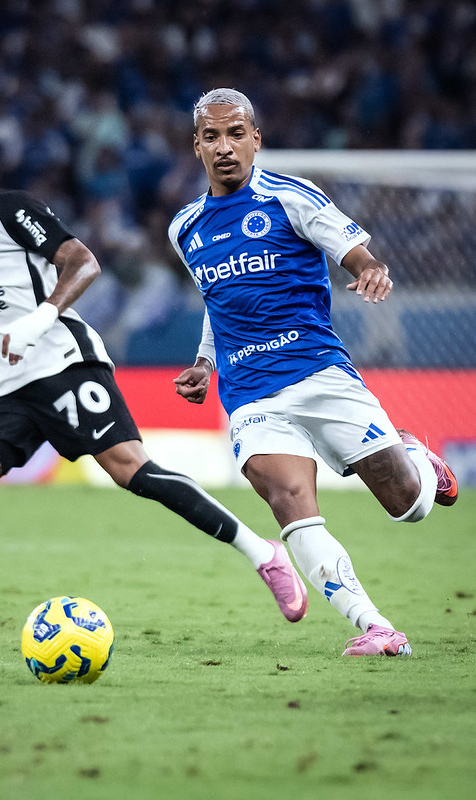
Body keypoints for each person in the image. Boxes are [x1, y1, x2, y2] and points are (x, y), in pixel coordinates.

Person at [0, 131, 309, 629]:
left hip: (63, 364)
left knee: (132, 472)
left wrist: (41, 316)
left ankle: (262, 552)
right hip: (12, 386)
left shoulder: (7, 210)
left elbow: (82, 262)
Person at [169, 88, 458, 657]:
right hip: (251, 393)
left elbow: (356, 253)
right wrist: (206, 362)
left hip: (321, 375)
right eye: (211, 136)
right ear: (195, 146)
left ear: (257, 138)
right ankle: (375, 626)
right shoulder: (186, 227)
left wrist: (372, 272)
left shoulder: (291, 196)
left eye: (235, 134)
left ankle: (419, 459)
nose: (224, 147)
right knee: (289, 501)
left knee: (407, 503)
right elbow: (219, 300)